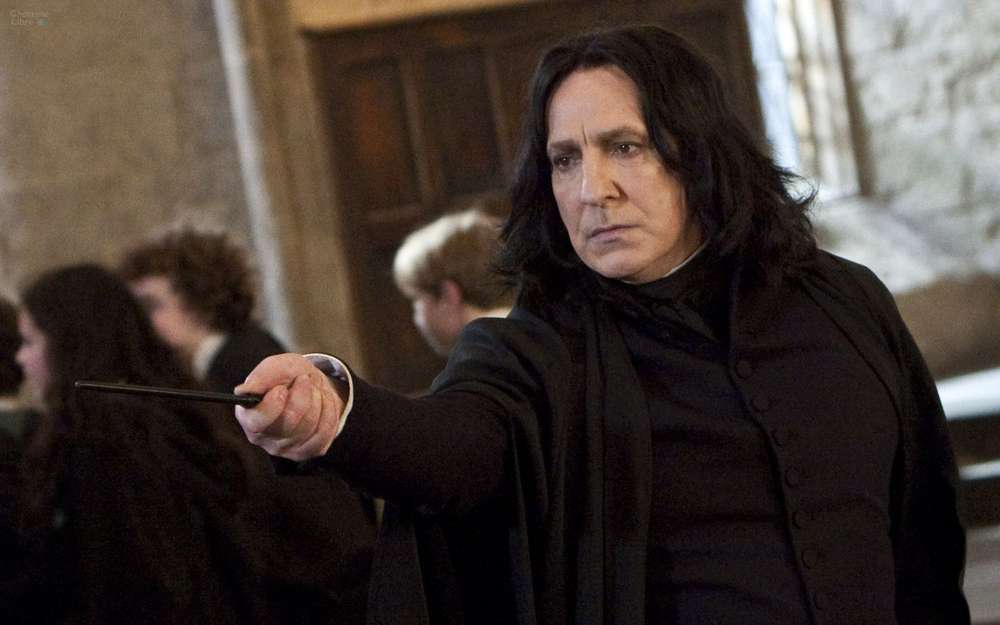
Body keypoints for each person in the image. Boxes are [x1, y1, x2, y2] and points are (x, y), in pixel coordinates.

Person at [233, 25, 970, 625]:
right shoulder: (536, 348)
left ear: (698, 155)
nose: (593, 189)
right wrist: (334, 409)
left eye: (625, 146)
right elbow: (452, 445)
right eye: (564, 160)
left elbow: (926, 530)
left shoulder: (844, 301)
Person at [2, 264, 273, 625]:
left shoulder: (104, 435)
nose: (20, 358)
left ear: (67, 341)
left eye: (30, 341)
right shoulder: (162, 409)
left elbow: (128, 585)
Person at [118, 226, 286, 393]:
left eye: (151, 305)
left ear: (198, 298)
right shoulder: (211, 364)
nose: (138, 319)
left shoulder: (247, 361)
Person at [393, 207, 515, 356]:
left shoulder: (481, 359)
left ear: (448, 294)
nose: (416, 319)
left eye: (417, 300)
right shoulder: (530, 335)